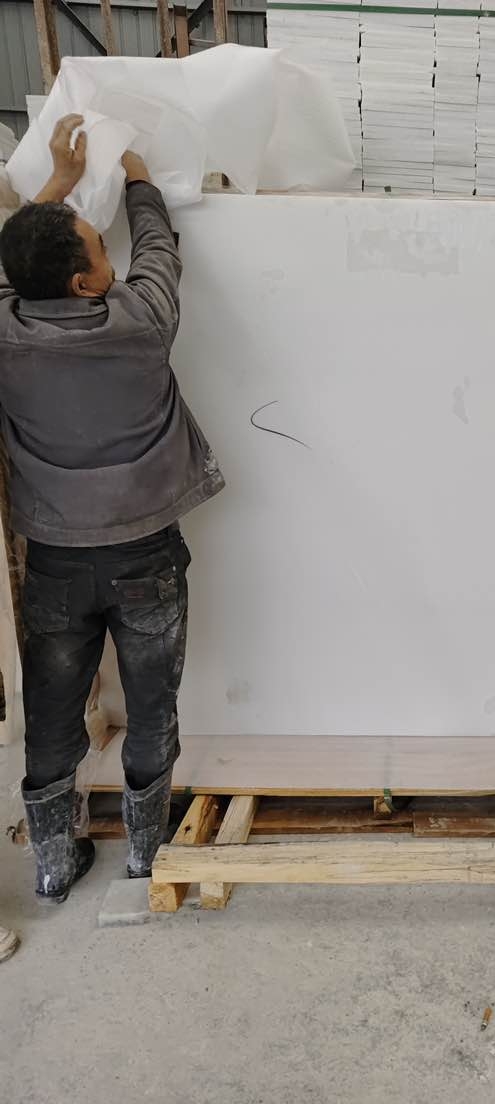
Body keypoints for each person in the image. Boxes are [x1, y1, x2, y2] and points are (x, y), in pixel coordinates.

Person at [0, 114, 224, 903]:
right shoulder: (141, 320)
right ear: (86, 283)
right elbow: (160, 250)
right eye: (100, 250)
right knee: (152, 703)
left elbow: (9, 262)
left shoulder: (6, 330)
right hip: (144, 556)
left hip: (55, 562)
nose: (111, 254)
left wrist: (57, 186)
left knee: (51, 708)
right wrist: (137, 179)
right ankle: (145, 850)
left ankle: (54, 863)